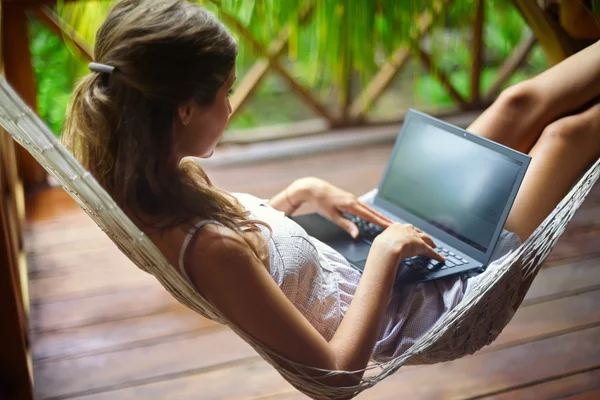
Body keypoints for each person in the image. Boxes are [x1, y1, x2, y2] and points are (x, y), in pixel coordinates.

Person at [62, 0, 600, 388]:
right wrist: (386, 256)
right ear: (182, 109)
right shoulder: (210, 249)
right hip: (419, 306)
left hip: (359, 255)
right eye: (226, 93)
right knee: (564, 137)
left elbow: (254, 253)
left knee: (515, 102)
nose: (231, 106)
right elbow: (336, 377)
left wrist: (296, 195)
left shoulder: (148, 180)